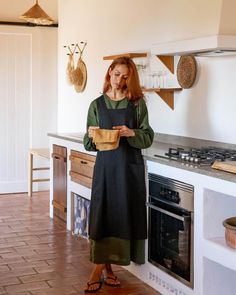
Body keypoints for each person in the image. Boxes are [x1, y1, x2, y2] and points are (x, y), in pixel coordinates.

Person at [83, 56, 154, 293]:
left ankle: (107, 269)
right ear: (109, 72)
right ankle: (99, 268)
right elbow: (87, 142)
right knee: (103, 215)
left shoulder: (137, 104)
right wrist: (94, 136)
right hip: (105, 169)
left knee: (123, 214)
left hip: (128, 169)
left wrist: (130, 132)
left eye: (125, 76)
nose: (120, 80)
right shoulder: (96, 104)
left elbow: (148, 136)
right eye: (117, 74)